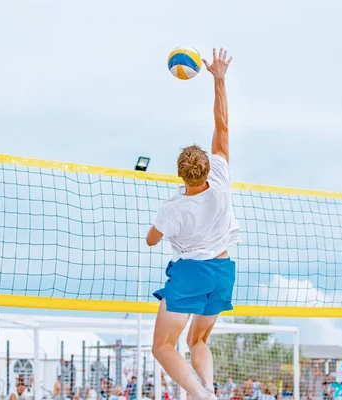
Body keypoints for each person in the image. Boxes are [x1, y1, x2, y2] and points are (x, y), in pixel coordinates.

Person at [146, 47, 239, 400]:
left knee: (163, 347)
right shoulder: (221, 180)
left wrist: (155, 231)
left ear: (180, 174)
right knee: (198, 340)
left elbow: (152, 241)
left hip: (191, 272)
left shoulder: (172, 208)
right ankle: (209, 389)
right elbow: (223, 125)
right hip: (223, 270)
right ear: (206, 168)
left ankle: (202, 395)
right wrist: (218, 78)